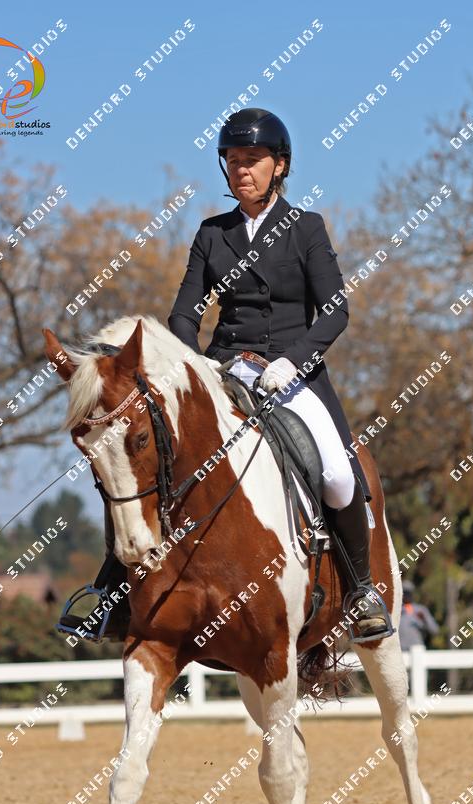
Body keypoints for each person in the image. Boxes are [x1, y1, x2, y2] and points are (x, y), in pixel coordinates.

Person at [58, 108, 392, 644]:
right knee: (142, 458)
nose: (242, 170)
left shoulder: (306, 228)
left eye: (253, 160)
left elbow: (335, 312)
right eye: (233, 160)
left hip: (292, 373)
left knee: (337, 473)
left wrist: (292, 361)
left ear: (280, 166)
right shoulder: (213, 234)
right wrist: (201, 366)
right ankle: (113, 590)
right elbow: (183, 316)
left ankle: (360, 591)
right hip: (225, 368)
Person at [398, 580, 439, 651]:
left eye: (409, 593)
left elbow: (435, 630)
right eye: (404, 593)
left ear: (412, 594)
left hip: (417, 649)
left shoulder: (421, 610)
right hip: (400, 649)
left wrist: (424, 619)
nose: (407, 596)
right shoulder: (396, 611)